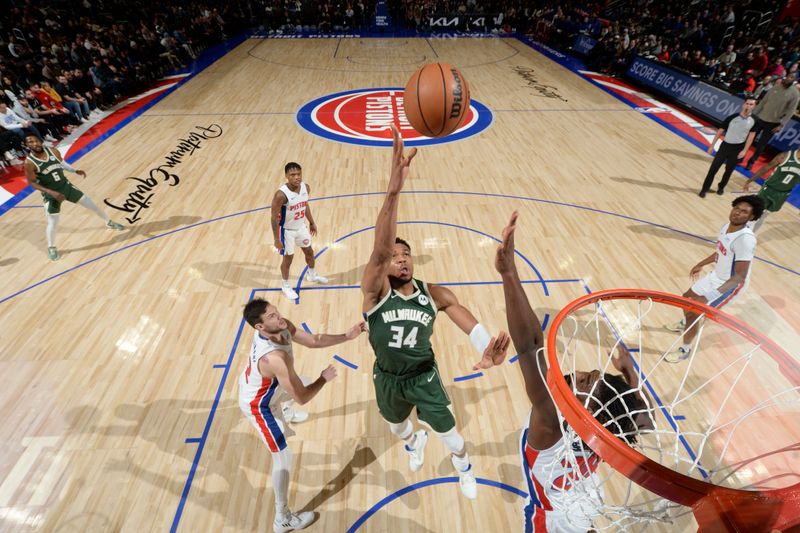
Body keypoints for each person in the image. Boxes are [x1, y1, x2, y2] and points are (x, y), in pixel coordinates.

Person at [360, 125, 511, 499]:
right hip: (387, 377)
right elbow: (378, 251)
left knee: (452, 435)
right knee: (396, 428)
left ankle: (465, 468)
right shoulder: (375, 294)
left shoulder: (435, 293)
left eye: (405, 255)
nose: (401, 260)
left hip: (424, 377)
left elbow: (463, 315)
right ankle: (414, 442)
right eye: (394, 257)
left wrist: (484, 347)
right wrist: (393, 190)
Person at [494, 211, 651, 532]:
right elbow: (645, 418)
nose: (576, 374)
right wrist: (631, 377)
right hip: (582, 504)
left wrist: (509, 275)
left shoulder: (550, 426)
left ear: (591, 409)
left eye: (585, 382)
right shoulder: (610, 433)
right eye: (589, 373)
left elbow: (528, 348)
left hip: (553, 523)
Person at [239, 298, 366, 532]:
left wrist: (346, 336)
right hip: (259, 405)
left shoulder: (281, 326)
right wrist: (323, 379)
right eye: (271, 317)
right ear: (260, 327)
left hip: (269, 389)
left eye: (276, 313)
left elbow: (314, 341)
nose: (278, 318)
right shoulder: (273, 358)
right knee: (283, 457)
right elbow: (303, 398)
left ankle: (285, 412)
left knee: (300, 381)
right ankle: (283, 518)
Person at [665, 195, 765, 362]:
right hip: (716, 275)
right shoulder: (727, 226)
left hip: (730, 285)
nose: (737, 213)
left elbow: (739, 276)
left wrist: (709, 296)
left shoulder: (745, 240)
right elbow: (720, 250)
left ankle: (685, 349)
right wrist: (701, 263)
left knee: (695, 312)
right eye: (736, 209)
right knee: (686, 298)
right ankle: (686, 322)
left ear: (751, 217)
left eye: (744, 212)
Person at [23, 134, 125, 261]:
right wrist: (51, 192)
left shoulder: (53, 151)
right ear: (26, 146)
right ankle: (51, 247)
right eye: (30, 142)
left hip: (66, 187)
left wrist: (74, 170)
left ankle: (109, 222)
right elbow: (32, 183)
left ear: (41, 141)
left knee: (92, 205)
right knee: (53, 222)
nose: (34, 144)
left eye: (36, 141)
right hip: (51, 195)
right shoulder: (29, 163)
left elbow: (62, 163)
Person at [271, 162, 328, 300]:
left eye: (298, 174)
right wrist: (276, 239)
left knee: (309, 252)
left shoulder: (305, 187)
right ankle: (285, 286)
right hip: (287, 231)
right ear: (286, 176)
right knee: (288, 258)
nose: (296, 177)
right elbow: (273, 218)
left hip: (301, 226)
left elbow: (305, 204)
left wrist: (312, 222)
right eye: (292, 175)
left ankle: (312, 275)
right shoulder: (281, 195)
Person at [699, 98, 756, 197]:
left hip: (738, 148)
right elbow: (720, 131)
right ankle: (705, 189)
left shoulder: (754, 121)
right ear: (743, 104)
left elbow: (751, 136)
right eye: (747, 103)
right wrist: (712, 146)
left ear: (754, 106)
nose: (748, 106)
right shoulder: (732, 117)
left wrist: (744, 150)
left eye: (751, 104)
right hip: (725, 146)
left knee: (729, 170)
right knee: (713, 169)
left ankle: (721, 187)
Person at [743, 75, 800, 170]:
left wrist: (781, 125)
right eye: (788, 77)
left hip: (774, 123)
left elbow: (790, 111)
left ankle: (752, 161)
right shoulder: (775, 87)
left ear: (794, 80)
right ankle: (741, 156)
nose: (788, 79)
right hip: (760, 118)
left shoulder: (795, 94)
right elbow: (763, 102)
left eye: (791, 78)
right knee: (749, 138)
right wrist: (753, 115)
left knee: (761, 144)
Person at [743, 150, 800, 231]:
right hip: (769, 189)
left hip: (783, 194)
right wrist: (749, 180)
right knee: (756, 212)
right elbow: (766, 168)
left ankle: (751, 234)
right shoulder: (785, 156)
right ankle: (741, 232)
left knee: (764, 215)